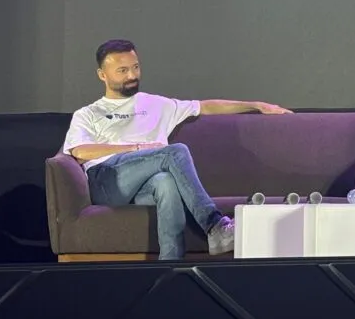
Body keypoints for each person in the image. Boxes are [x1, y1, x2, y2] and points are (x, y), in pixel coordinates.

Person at [61, 39, 293, 260]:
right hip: (108, 181)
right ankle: (214, 226)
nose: (132, 75)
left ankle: (170, 266)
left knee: (166, 183)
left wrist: (256, 105)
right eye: (122, 71)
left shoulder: (156, 104)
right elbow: (80, 151)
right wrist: (138, 147)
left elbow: (205, 107)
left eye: (135, 67)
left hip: (146, 185)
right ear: (102, 75)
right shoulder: (89, 113)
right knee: (174, 151)